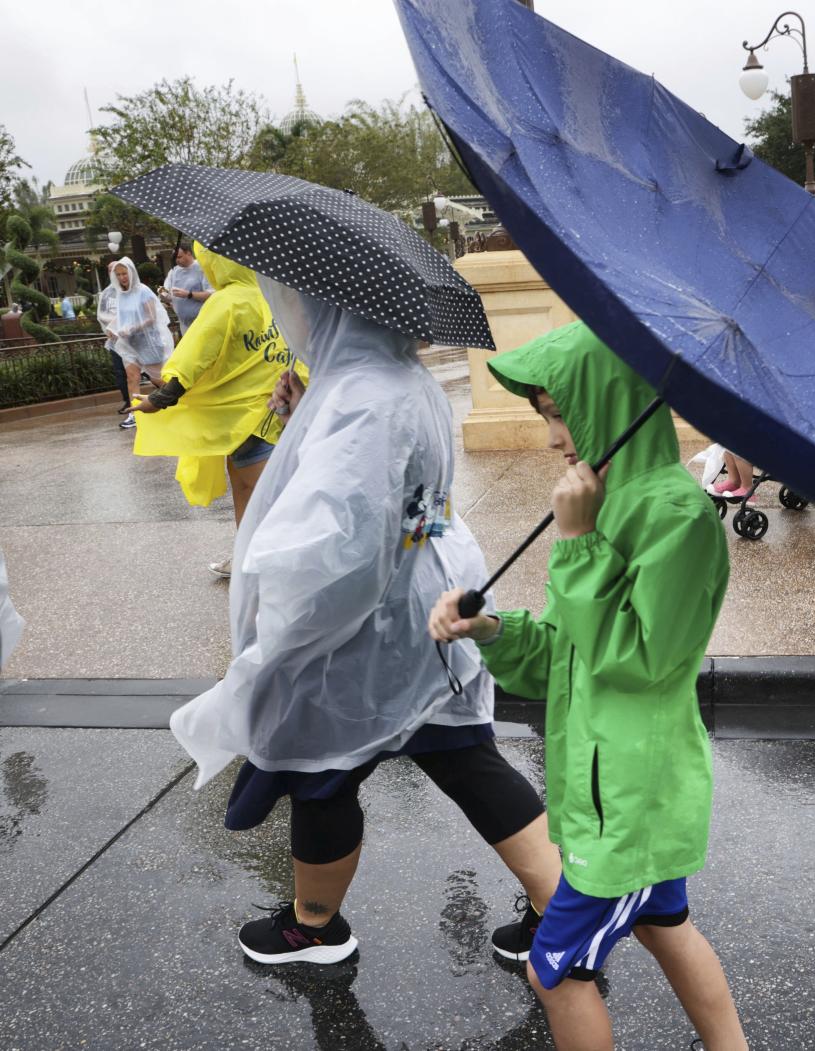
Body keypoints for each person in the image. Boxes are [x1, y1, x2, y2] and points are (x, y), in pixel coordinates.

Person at [168, 278, 561, 967]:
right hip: (424, 605)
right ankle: (562, 912)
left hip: (367, 628)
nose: (293, 310)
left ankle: (315, 925)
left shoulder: (361, 398)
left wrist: (282, 628)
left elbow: (341, 542)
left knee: (322, 763)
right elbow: (418, 506)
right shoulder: (401, 382)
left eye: (299, 299)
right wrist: (304, 419)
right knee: (469, 759)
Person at [429, 322, 747, 1051]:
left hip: (629, 803)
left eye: (557, 410)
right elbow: (563, 657)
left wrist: (576, 544)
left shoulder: (675, 515)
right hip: (615, 794)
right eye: (545, 411)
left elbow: (633, 658)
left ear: (608, 402)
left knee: (555, 968)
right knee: (668, 928)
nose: (551, 436)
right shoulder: (608, 499)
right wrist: (492, 631)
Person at [127, 243, 294, 576]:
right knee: (255, 490)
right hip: (279, 411)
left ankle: (266, 563)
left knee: (257, 494)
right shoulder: (272, 296)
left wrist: (160, 399)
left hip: (240, 420)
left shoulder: (226, 302)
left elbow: (195, 356)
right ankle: (248, 556)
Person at [106, 257, 173, 426]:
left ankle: (178, 399)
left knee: (158, 379)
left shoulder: (143, 291)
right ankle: (134, 414)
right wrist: (112, 327)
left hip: (149, 343)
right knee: (131, 377)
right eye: (119, 274)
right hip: (129, 343)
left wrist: (133, 327)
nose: (122, 277)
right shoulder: (121, 294)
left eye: (125, 273)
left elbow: (151, 317)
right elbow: (122, 317)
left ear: (131, 272)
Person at [95, 261, 134, 426]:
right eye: (114, 272)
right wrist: (112, 327)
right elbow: (101, 314)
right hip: (115, 340)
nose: (118, 275)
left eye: (120, 272)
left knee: (139, 373)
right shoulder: (106, 294)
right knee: (123, 374)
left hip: (132, 339)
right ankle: (129, 403)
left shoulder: (132, 290)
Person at [160, 243, 213, 335]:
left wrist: (189, 294)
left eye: (179, 257)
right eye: (175, 258)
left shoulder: (201, 268)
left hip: (203, 321)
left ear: (188, 253)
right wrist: (162, 294)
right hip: (184, 324)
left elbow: (211, 294)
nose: (177, 260)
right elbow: (167, 292)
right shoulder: (174, 271)